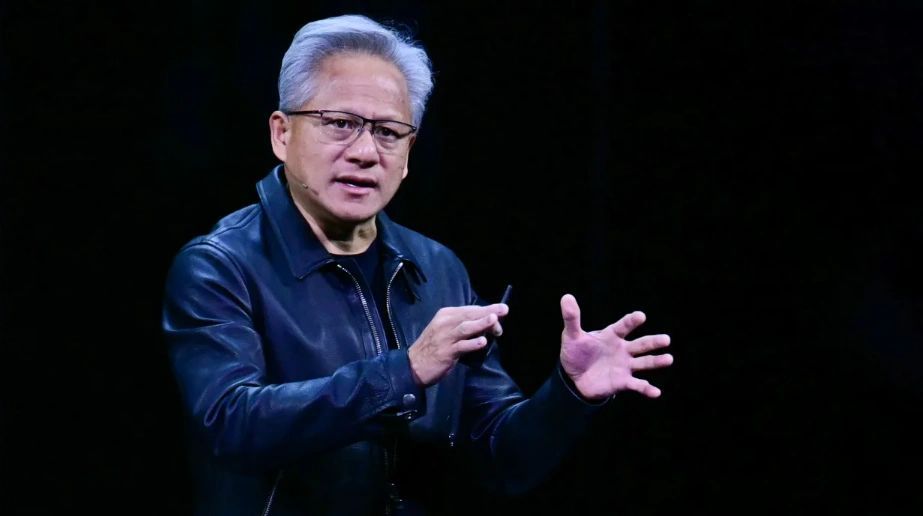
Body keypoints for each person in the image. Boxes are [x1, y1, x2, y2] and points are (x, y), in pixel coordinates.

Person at [162, 14, 673, 516]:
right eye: (340, 124)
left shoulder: (436, 268)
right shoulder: (218, 266)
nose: (365, 152)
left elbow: (502, 460)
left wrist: (568, 394)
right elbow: (230, 424)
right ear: (281, 134)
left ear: (408, 155)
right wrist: (403, 372)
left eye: (388, 132)